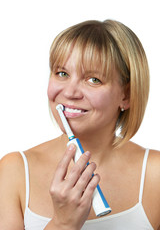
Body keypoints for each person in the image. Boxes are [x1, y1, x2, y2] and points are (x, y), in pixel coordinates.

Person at [0, 19, 160, 230]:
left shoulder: (155, 174)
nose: (69, 92)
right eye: (62, 73)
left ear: (127, 95)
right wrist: (62, 224)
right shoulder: (14, 170)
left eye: (93, 79)